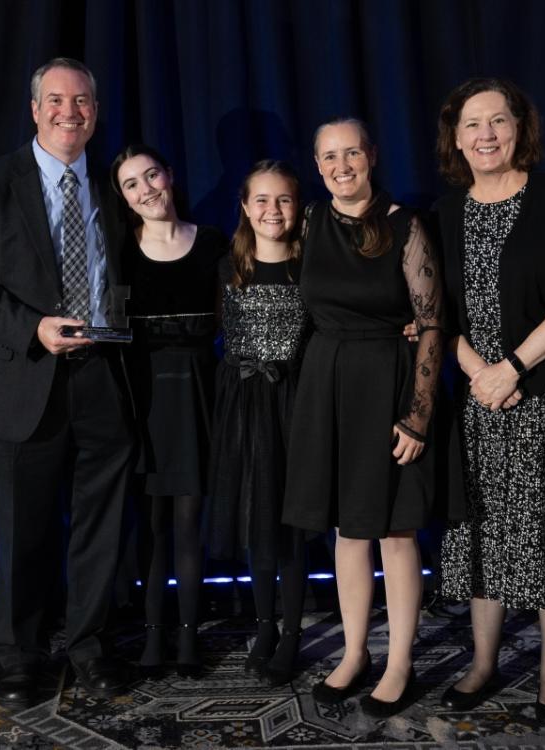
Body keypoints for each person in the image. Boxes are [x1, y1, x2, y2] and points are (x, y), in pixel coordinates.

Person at [0, 58, 133, 705]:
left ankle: (89, 649)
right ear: (34, 109)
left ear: (95, 111)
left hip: (105, 382)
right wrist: (33, 328)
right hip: (23, 384)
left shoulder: (115, 185)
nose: (69, 113)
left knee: (99, 531)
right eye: (56, 100)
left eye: (82, 101)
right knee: (23, 535)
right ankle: (19, 658)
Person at [433, 78, 545, 729]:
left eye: (497, 121)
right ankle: (482, 664)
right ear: (456, 138)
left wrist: (513, 367)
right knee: (482, 540)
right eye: (471, 124)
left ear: (519, 127)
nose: (485, 136)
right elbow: (436, 311)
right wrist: (479, 372)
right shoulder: (444, 213)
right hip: (478, 399)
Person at [282, 118, 444, 717]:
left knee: (395, 534)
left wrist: (418, 415)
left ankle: (399, 660)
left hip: (389, 387)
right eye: (329, 156)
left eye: (352, 152)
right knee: (347, 532)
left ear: (372, 156)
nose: (341, 165)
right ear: (318, 165)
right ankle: (354, 653)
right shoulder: (308, 223)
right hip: (327, 383)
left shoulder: (407, 226)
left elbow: (430, 323)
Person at [111, 144, 226, 677]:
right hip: (145, 401)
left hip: (199, 397)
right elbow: (112, 332)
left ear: (170, 176)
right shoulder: (119, 252)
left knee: (189, 521)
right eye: (132, 184)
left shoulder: (214, 245)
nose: (146, 189)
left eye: (151, 175)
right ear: (125, 199)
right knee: (152, 523)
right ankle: (153, 638)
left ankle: (187, 639)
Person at [205, 160, 312, 686]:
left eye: (284, 200)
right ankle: (264, 626)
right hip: (243, 404)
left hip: (293, 402)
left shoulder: (309, 265)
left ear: (298, 207)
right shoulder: (228, 267)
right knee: (257, 523)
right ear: (245, 207)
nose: (273, 211)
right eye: (262, 201)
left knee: (290, 525)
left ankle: (292, 633)